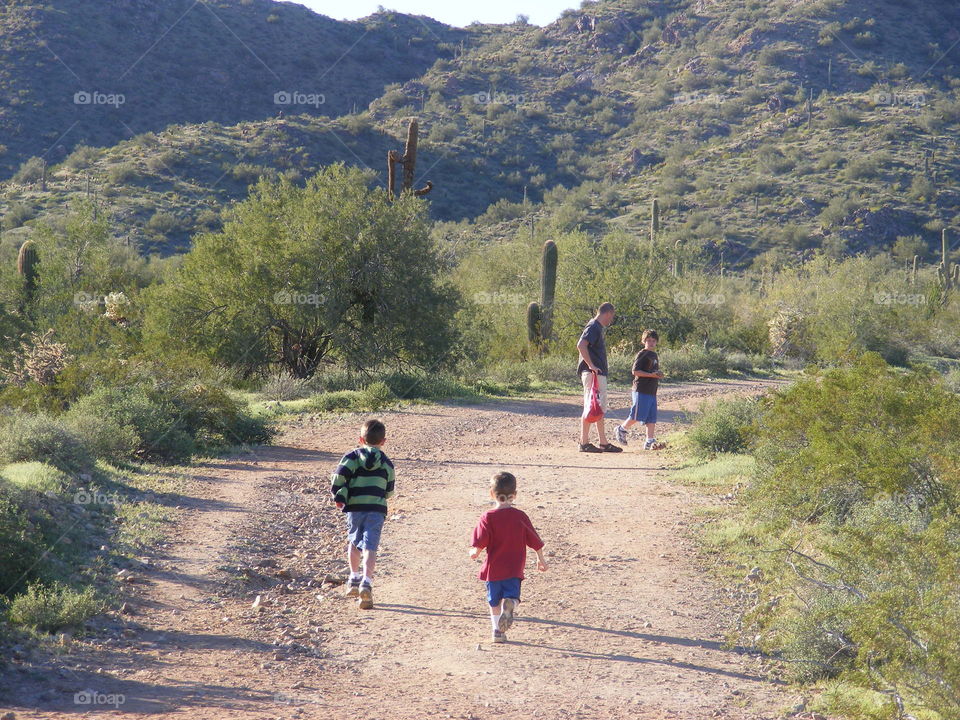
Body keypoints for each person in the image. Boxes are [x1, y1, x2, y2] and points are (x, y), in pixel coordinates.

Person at [469, 472, 547, 644]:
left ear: (491, 493)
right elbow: (535, 541)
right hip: (514, 568)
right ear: (514, 495)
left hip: (493, 569)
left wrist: (474, 553)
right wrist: (541, 560)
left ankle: (497, 632)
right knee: (513, 596)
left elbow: (480, 543)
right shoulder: (520, 517)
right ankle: (511, 602)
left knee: (494, 602)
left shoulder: (487, 517)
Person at [330, 418, 395, 610]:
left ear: (361, 439)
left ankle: (353, 577)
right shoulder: (386, 462)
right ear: (383, 441)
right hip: (376, 508)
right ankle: (367, 581)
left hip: (354, 507)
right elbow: (389, 491)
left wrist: (338, 495)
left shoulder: (351, 457)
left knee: (354, 541)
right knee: (371, 545)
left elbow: (338, 477)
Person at [576, 302, 622, 453]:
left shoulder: (595, 327)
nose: (611, 319)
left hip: (595, 374)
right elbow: (581, 345)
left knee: (599, 407)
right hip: (592, 374)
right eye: (612, 316)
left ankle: (603, 442)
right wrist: (591, 366)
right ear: (608, 313)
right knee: (591, 406)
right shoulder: (593, 326)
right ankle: (584, 442)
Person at [614, 329, 665, 450]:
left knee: (651, 417)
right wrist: (651, 375)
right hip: (641, 389)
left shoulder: (654, 355)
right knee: (637, 414)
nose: (651, 343)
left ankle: (649, 440)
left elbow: (651, 371)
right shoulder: (642, 354)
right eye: (648, 340)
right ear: (644, 341)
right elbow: (635, 371)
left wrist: (658, 374)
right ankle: (622, 429)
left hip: (651, 390)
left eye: (653, 340)